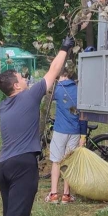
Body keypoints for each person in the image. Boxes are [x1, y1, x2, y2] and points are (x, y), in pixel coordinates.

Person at [0, 36, 75, 216]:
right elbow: (53, 71)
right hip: (22, 166)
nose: (25, 79)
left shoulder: (4, 106)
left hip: (4, 167)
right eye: (21, 78)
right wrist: (64, 48)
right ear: (16, 87)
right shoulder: (28, 97)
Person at [44, 67, 87, 204]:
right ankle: (66, 195)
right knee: (68, 162)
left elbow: (46, 91)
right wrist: (83, 136)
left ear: (61, 75)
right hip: (75, 132)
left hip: (60, 131)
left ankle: (54, 194)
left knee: (56, 161)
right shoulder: (80, 91)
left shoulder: (58, 89)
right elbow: (83, 116)